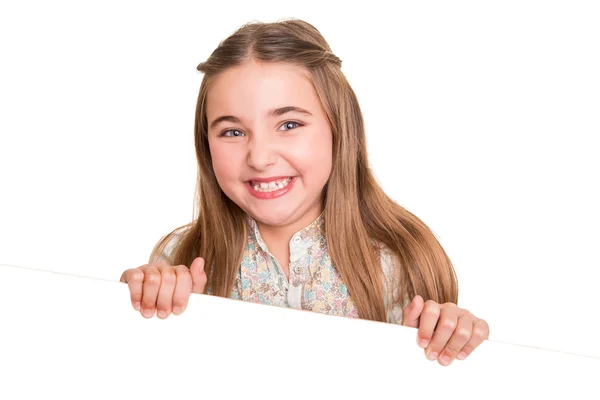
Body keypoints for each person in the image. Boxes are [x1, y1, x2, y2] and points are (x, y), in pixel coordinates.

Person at [120, 18, 489, 367]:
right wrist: (138, 302)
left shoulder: (401, 260)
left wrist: (450, 335)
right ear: (206, 145)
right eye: (233, 131)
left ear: (339, 129)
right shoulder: (183, 256)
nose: (260, 157)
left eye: (289, 124)